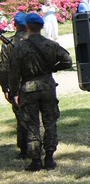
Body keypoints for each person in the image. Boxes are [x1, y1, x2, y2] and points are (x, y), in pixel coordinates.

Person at [6, 13, 73, 170]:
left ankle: (35, 160)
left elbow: (14, 73)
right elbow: (67, 60)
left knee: (32, 124)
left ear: (27, 27)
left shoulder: (20, 47)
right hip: (47, 86)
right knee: (50, 122)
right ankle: (49, 157)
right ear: (42, 27)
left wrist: (14, 93)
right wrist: (52, 68)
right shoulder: (50, 44)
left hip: (28, 89)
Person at [0, 13, 30, 158]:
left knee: (21, 118)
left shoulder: (9, 44)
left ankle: (25, 149)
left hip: (18, 86)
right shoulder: (37, 39)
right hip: (38, 84)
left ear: (15, 25)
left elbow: (4, 68)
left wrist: (6, 88)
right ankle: (41, 148)